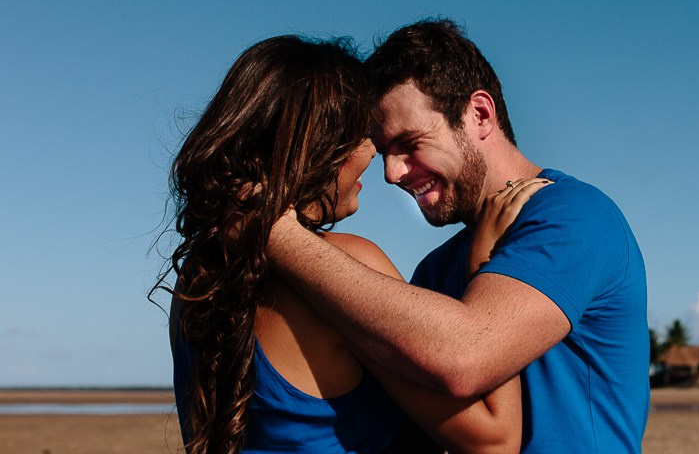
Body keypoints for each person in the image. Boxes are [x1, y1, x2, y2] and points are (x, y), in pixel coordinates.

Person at [266, 20, 650, 453]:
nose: (392, 174)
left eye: (409, 142)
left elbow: (467, 358)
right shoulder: (436, 268)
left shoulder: (574, 217)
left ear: (479, 114)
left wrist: (275, 234)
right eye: (383, 151)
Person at [152, 35, 545, 454]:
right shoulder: (348, 262)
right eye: (366, 136)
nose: (377, 158)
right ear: (318, 146)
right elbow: (494, 439)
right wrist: (486, 260)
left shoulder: (195, 283)